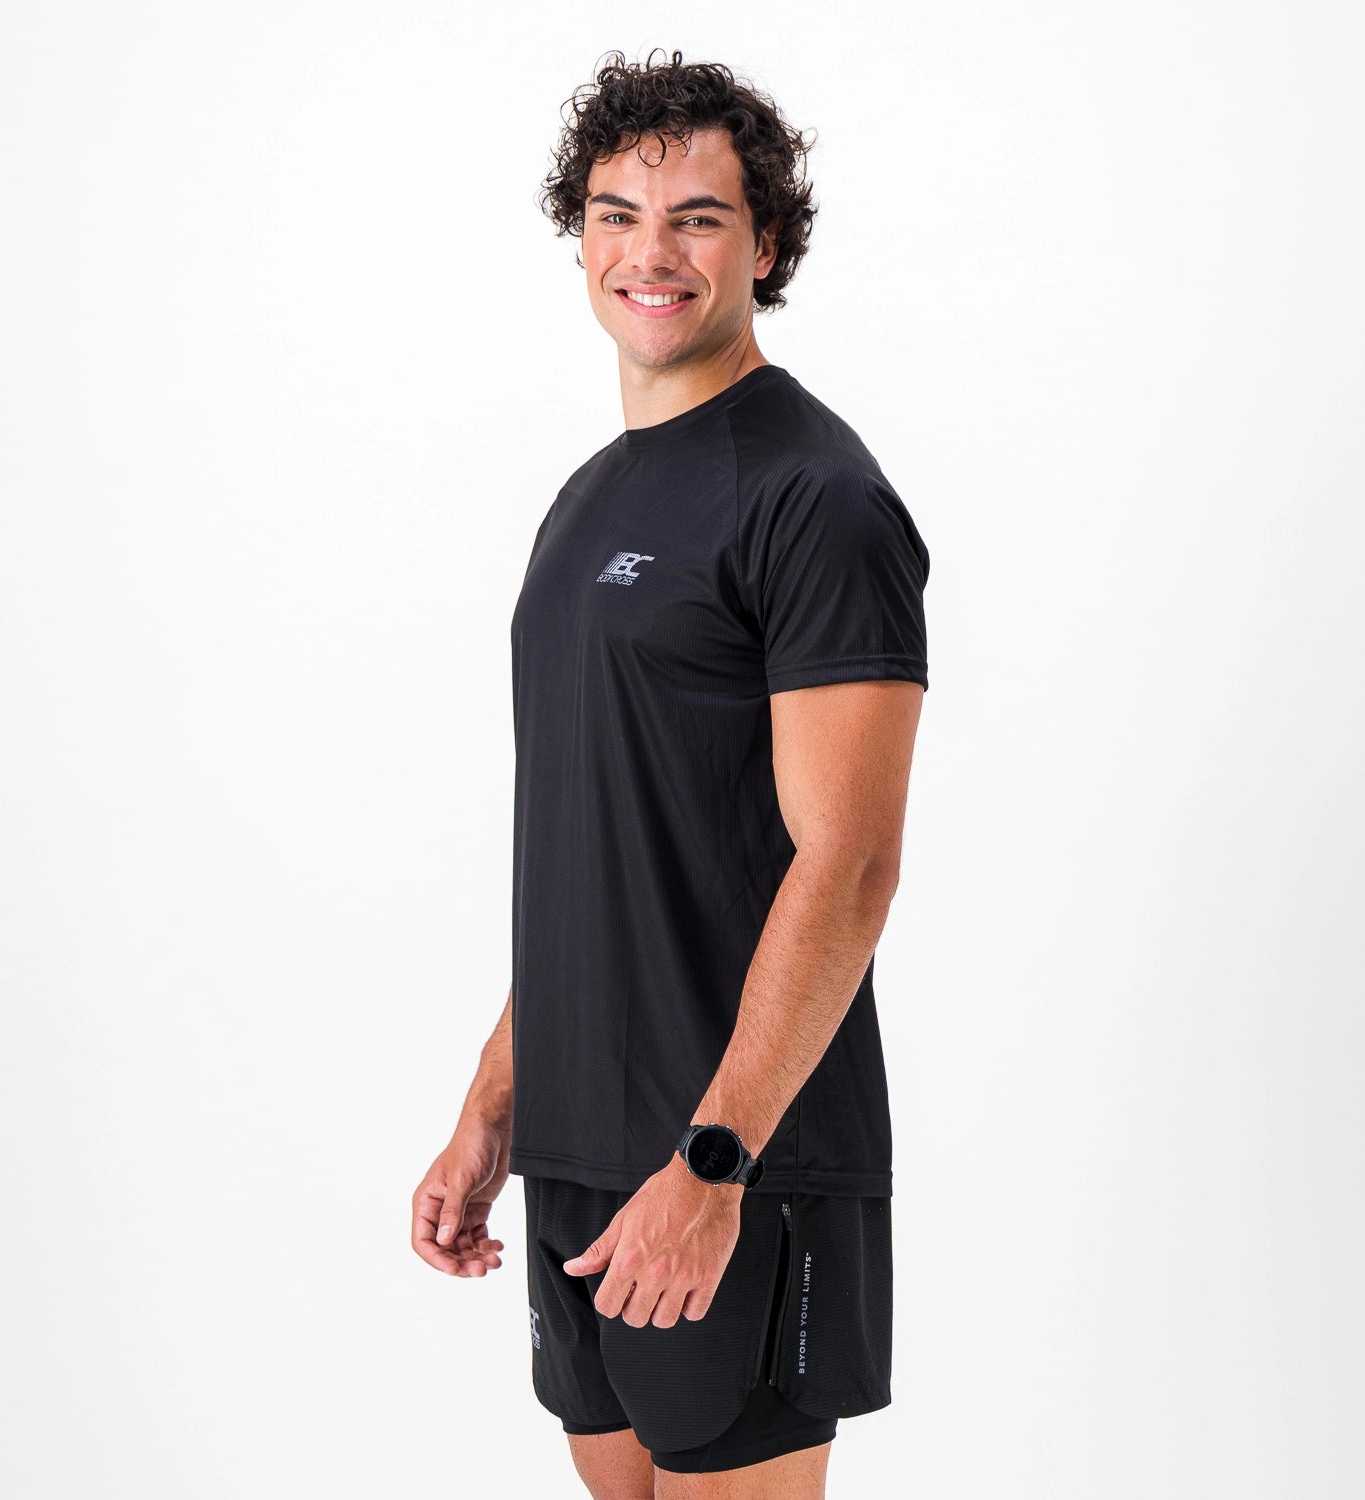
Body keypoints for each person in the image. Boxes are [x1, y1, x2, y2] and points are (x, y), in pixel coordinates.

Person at [411, 49, 930, 1498]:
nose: (651, 252)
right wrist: (493, 1106)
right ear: (579, 236)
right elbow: (602, 849)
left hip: (732, 1156)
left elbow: (851, 865)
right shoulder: (588, 500)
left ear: (766, 246)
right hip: (578, 1147)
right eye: (616, 214)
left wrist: (714, 1164)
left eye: (698, 218)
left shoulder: (815, 497)